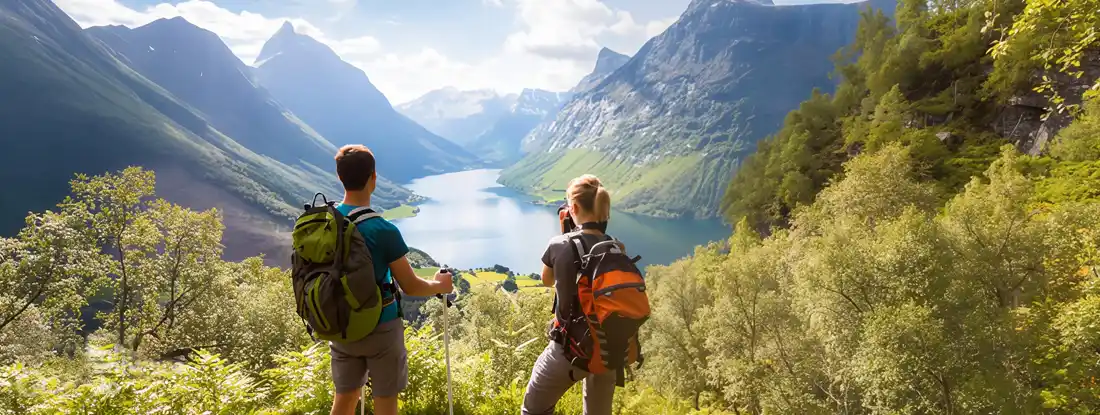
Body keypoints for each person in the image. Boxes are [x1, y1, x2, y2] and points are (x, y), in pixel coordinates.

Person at [330, 144, 454, 415]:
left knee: (345, 398)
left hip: (339, 324)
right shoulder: (383, 229)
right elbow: (411, 285)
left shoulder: (326, 223)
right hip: (380, 327)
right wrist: (440, 286)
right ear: (373, 178)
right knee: (385, 402)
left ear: (340, 177)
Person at [522, 174, 617, 415]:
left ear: (572, 208)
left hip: (568, 349)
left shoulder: (559, 244)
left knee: (533, 410)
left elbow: (547, 280)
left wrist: (565, 233)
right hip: (608, 351)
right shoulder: (616, 246)